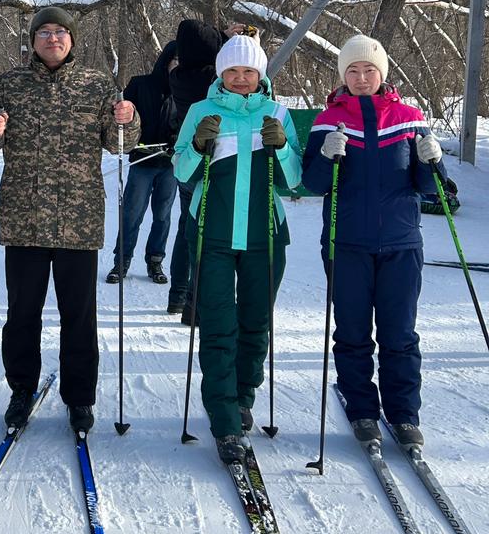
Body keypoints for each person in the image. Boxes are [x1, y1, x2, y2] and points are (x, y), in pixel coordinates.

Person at [0, 6, 139, 433]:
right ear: (32, 40)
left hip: (78, 222)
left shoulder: (98, 85)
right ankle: (22, 389)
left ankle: (80, 398)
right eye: (44, 32)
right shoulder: (9, 84)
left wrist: (129, 120)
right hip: (23, 218)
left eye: (60, 32)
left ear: (72, 39)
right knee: (22, 313)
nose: (52, 39)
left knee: (78, 317)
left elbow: (119, 144)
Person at [302, 35, 445, 447]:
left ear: (382, 73)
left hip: (401, 244)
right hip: (346, 243)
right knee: (351, 332)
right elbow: (310, 184)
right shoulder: (328, 120)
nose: (362, 77)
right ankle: (363, 408)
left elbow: (432, 189)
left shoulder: (409, 118)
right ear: (342, 75)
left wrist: (432, 162)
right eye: (352, 70)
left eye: (369, 70)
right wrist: (327, 156)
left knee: (399, 334)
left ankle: (403, 414)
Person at [173, 33, 302, 463]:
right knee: (216, 324)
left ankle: (244, 394)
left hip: (265, 235)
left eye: (249, 71)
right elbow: (182, 170)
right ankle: (224, 418)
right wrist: (195, 146)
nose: (241, 78)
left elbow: (295, 180)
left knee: (255, 321)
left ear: (260, 74)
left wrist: (281, 148)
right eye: (233, 71)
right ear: (221, 74)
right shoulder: (200, 111)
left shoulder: (277, 113)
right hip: (211, 231)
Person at [167, 21, 244, 324]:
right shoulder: (210, 81)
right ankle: (196, 304)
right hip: (210, 163)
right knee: (205, 236)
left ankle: (178, 296)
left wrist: (223, 37)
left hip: (188, 163)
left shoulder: (177, 76)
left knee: (187, 228)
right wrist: (235, 43)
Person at [105, 41, 180, 304]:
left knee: (163, 215)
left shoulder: (185, 91)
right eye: (175, 61)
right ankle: (121, 262)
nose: (178, 67)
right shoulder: (140, 84)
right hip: (142, 162)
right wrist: (129, 136)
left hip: (170, 165)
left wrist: (177, 141)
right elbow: (121, 117)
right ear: (166, 61)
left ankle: (155, 261)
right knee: (132, 214)